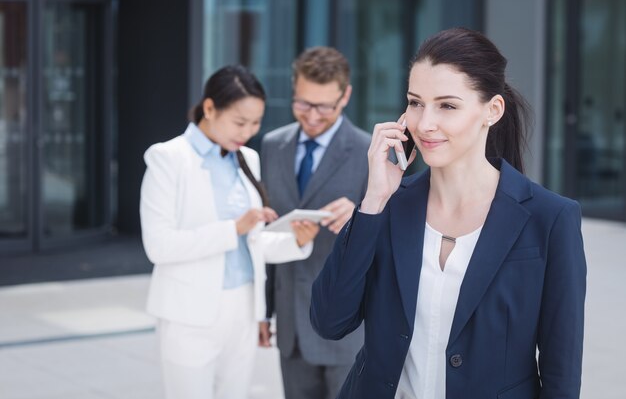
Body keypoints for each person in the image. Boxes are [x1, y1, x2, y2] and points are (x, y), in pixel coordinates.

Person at [311, 28, 587, 399]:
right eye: (415, 102)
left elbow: (561, 374)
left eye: (447, 105)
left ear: (493, 110)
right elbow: (330, 321)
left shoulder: (550, 219)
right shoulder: (388, 207)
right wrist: (374, 200)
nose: (424, 124)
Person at [139, 65, 319, 399]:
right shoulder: (168, 159)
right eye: (240, 122)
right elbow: (158, 246)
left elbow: (251, 243)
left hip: (242, 310)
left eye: (255, 123)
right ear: (209, 108)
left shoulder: (247, 157)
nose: (248, 132)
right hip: (188, 315)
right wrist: (234, 227)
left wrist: (297, 241)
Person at [260, 46, 371, 399]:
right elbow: (266, 236)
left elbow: (398, 240)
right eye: (303, 104)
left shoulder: (370, 152)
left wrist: (361, 216)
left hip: (348, 326)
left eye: (324, 106)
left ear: (345, 95)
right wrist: (264, 312)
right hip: (291, 326)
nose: (312, 116)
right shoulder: (272, 146)